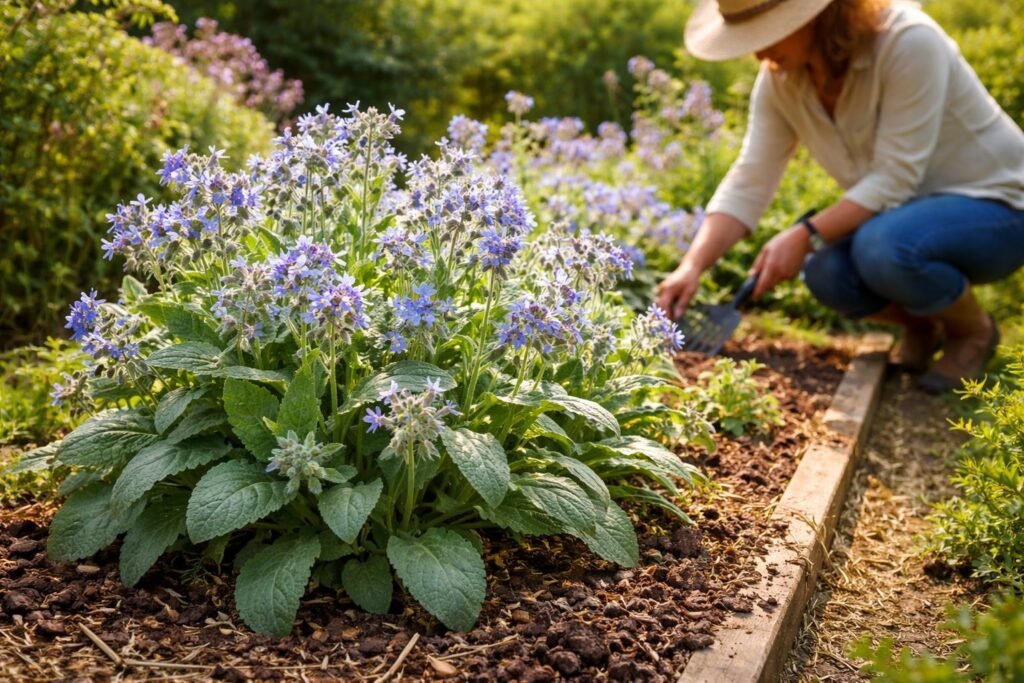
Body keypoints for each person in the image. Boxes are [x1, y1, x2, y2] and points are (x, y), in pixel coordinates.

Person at [655, 0, 1024, 392]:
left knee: (882, 246)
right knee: (825, 274)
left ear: (815, 16)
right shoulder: (782, 80)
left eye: (766, 33)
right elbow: (750, 177)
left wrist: (803, 234)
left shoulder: (908, 41)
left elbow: (895, 177)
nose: (758, 52)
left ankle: (973, 332)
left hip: (1001, 208)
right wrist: (692, 266)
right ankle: (926, 324)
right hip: (905, 217)